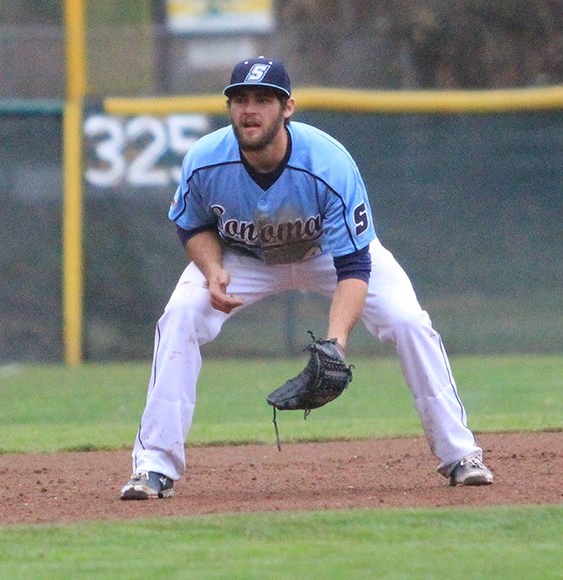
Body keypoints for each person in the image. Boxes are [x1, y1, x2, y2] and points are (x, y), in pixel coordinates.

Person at [120, 56, 493, 500]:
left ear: (288, 108)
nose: (249, 109)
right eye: (240, 99)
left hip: (326, 255)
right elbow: (192, 224)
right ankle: (154, 467)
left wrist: (335, 341)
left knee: (408, 322)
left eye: (263, 99)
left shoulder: (329, 164)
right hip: (245, 258)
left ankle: (460, 455)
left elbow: (354, 267)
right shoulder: (204, 161)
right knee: (180, 315)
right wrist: (212, 268)